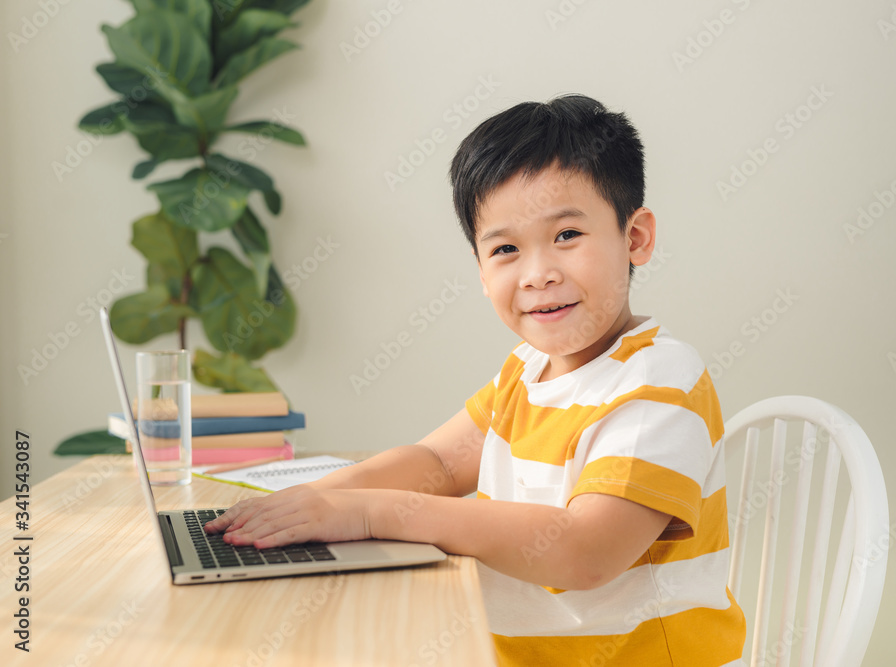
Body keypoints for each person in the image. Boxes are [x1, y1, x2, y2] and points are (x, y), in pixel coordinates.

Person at [206, 94, 746, 666]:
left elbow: (587, 551)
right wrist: (314, 501)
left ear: (634, 238)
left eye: (567, 236)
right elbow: (437, 465)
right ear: (482, 271)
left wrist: (370, 512)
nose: (538, 274)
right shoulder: (525, 372)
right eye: (506, 248)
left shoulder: (660, 379)